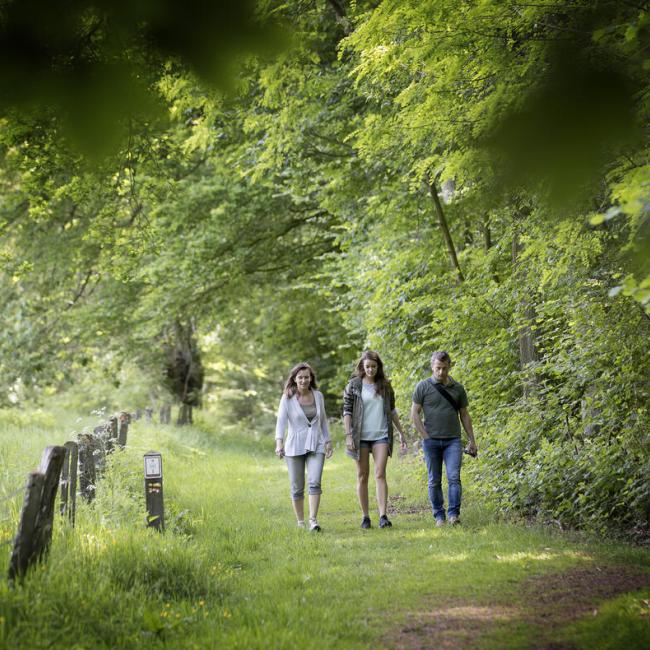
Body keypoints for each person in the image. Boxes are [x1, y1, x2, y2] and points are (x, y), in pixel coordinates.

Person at [411, 351, 477, 526]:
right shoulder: (422, 387)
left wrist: (472, 440)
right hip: (431, 441)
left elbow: (464, 416)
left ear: (449, 367)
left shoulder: (458, 389)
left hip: (453, 440)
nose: (441, 372)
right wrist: (424, 436)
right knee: (434, 480)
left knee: (454, 477)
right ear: (432, 366)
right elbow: (414, 414)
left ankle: (454, 515)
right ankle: (439, 516)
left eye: (444, 368)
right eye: (438, 368)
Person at [343, 350, 407, 529]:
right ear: (362, 367)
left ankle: (383, 516)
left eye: (373, 366)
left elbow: (392, 411)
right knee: (363, 476)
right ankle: (365, 517)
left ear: (378, 367)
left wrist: (400, 432)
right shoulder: (354, 385)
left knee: (380, 474)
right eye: (367, 366)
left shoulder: (385, 386)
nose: (370, 369)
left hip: (381, 434)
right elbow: (347, 411)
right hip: (360, 436)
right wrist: (348, 435)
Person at [275, 362, 333, 532]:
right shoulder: (287, 398)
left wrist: (328, 441)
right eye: (300, 377)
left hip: (316, 444)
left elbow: (322, 420)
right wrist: (279, 443)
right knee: (297, 486)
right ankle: (300, 521)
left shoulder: (318, 396)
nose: (303, 380)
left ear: (311, 378)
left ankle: (312, 520)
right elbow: (281, 422)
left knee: (315, 481)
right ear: (294, 379)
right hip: (294, 446)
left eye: (306, 377)